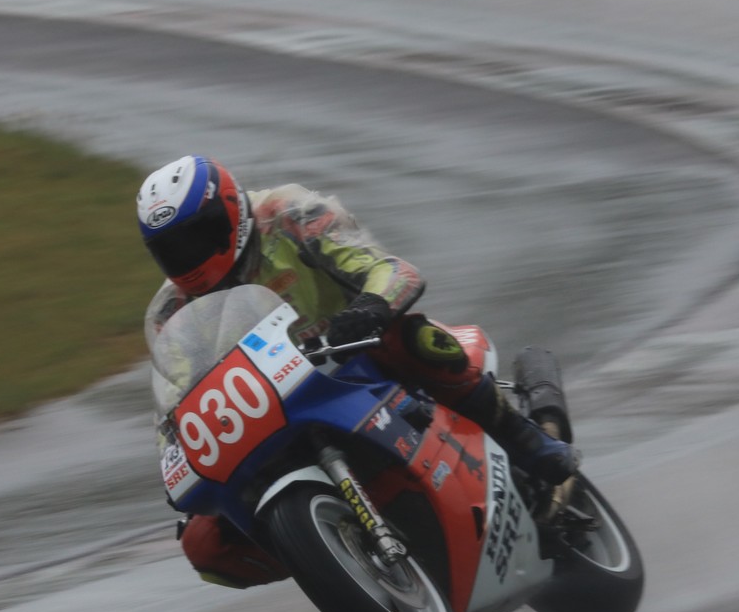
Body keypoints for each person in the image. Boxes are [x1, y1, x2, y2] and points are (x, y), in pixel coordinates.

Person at [137, 154, 579, 589]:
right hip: (268, 414)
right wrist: (179, 457)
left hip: (359, 359)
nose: (188, 255)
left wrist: (371, 306)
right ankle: (330, 557)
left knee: (414, 339)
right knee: (205, 545)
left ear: (231, 212)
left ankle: (525, 439)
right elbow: (176, 409)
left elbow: (391, 270)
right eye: (172, 249)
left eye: (199, 235)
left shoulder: (290, 214)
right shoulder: (170, 313)